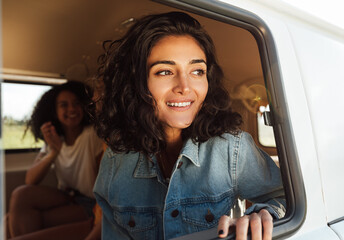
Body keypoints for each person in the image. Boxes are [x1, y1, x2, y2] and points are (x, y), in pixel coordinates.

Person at [93, 11, 285, 240]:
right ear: (137, 83)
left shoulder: (232, 148)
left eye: (197, 71)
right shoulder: (115, 160)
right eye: (165, 71)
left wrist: (262, 214)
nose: (185, 86)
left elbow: (285, 199)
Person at [7, 81, 104, 240]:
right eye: (64, 105)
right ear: (55, 112)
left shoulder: (91, 135)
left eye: (76, 104)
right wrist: (54, 152)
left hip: (88, 202)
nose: (71, 109)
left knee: (10, 220)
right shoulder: (55, 140)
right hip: (66, 196)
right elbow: (30, 180)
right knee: (20, 194)